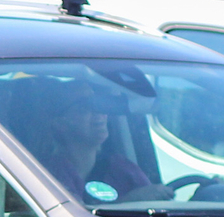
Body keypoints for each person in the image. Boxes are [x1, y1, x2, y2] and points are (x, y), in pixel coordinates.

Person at [24, 78, 153, 202]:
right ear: (59, 123)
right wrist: (131, 200)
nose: (99, 113)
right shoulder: (46, 175)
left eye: (100, 105)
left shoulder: (122, 168)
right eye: (85, 107)